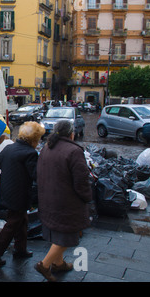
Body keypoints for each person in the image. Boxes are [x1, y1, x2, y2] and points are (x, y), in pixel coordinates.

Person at [34, 120, 92, 282]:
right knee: (67, 236)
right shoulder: (74, 151)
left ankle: (58, 264)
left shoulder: (47, 147)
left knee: (57, 232)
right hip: (67, 202)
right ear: (71, 134)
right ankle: (44, 265)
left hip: (48, 198)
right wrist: (87, 197)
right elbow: (81, 180)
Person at [0, 121, 45, 266]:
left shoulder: (10, 148)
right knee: (13, 223)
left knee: (22, 220)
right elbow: (35, 175)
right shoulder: (30, 153)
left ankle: (20, 249)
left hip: (7, 189)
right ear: (34, 139)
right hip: (19, 193)